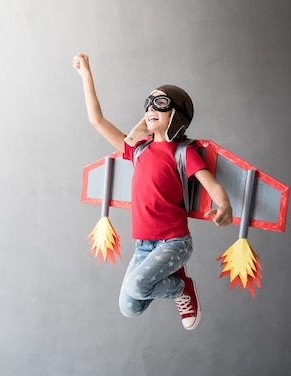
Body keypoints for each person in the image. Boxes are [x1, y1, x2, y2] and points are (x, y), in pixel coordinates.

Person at [73, 53, 233, 330]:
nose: (150, 108)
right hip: (144, 244)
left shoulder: (183, 153)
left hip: (174, 242)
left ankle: (183, 288)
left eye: (160, 103)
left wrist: (224, 205)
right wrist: (86, 75)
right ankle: (176, 283)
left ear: (176, 115)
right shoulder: (138, 151)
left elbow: (212, 184)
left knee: (138, 285)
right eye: (148, 103)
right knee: (129, 307)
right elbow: (97, 121)